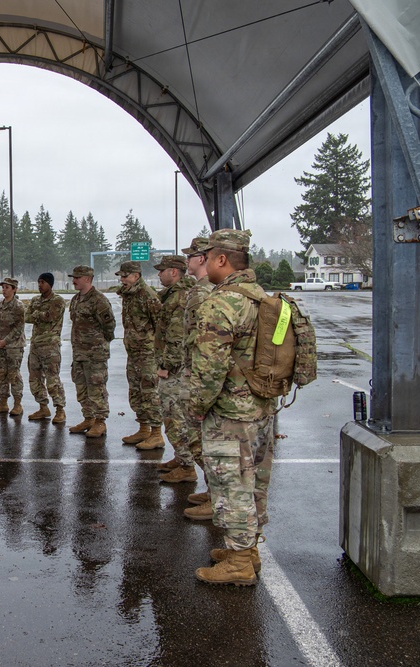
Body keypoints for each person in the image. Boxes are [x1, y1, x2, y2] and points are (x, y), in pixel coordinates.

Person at [188, 229, 274, 586]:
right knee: (254, 483)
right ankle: (248, 549)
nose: (205, 263)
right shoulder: (262, 299)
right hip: (261, 407)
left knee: (232, 486)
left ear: (222, 259)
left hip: (230, 414)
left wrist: (196, 407)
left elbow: (210, 368)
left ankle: (239, 563)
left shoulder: (221, 303)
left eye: (208, 257)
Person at [173, 238, 218, 510]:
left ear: (202, 259)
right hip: (192, 372)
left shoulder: (205, 292)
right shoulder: (198, 289)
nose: (186, 261)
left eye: (190, 257)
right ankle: (214, 491)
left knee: (201, 438)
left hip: (200, 376)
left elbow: (207, 341)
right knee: (197, 436)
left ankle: (217, 496)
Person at [153, 255, 196, 476]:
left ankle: (187, 466)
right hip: (176, 365)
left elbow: (176, 336)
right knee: (172, 414)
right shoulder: (175, 295)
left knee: (173, 415)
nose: (159, 274)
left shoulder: (179, 297)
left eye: (162, 270)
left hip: (174, 368)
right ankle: (181, 458)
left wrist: (166, 365)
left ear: (174, 272)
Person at [115, 260, 163, 447]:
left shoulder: (148, 296)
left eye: (125, 276)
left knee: (150, 392)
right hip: (133, 353)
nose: (122, 280)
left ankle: (157, 434)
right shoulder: (129, 295)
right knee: (135, 392)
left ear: (136, 276)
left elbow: (160, 326)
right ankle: (144, 429)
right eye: (121, 277)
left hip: (148, 354)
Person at [67, 265, 116, 438]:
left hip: (95, 354)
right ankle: (88, 418)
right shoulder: (75, 299)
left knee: (96, 388)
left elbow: (109, 326)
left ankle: (100, 421)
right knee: (81, 387)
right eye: (73, 277)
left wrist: (99, 344)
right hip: (79, 352)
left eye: (77, 277)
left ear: (87, 278)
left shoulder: (98, 300)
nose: (73, 280)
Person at [24, 272, 67, 423]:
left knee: (52, 379)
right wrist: (39, 314)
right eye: (38, 282)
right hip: (36, 345)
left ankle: (60, 410)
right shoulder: (35, 300)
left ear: (50, 283)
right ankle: (43, 407)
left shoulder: (58, 300)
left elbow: (51, 316)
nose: (40, 285)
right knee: (34, 378)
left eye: (42, 282)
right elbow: (27, 317)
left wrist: (37, 314)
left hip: (50, 346)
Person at [0, 277, 26, 415]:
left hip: (14, 347)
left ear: (14, 289)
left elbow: (18, 328)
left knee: (13, 375)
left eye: (7, 287)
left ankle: (17, 404)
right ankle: (3, 403)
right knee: (0, 375)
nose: (4, 290)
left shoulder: (18, 306)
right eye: (3, 287)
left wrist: (6, 341)